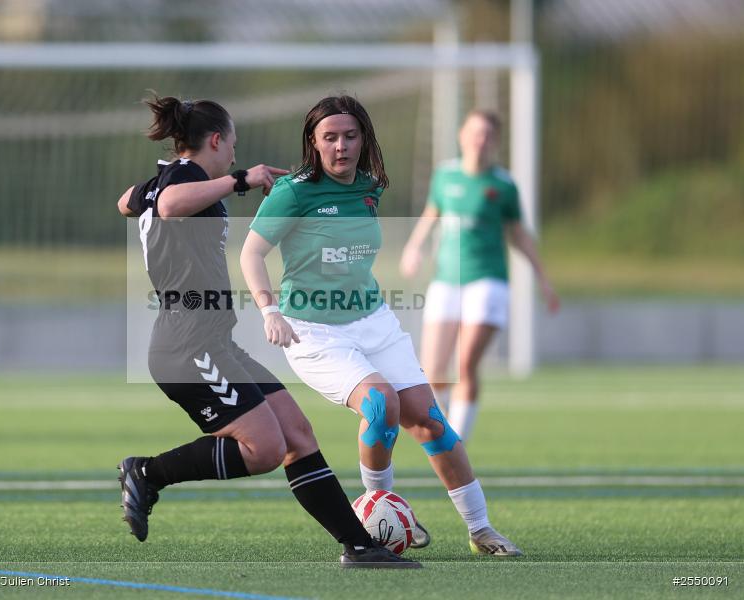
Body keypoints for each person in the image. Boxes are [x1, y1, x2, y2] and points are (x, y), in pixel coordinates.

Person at [116, 94, 418, 568]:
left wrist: (151, 194)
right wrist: (239, 180)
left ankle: (361, 546)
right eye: (231, 145)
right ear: (216, 140)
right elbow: (172, 204)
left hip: (213, 342)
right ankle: (148, 473)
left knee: (297, 433)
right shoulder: (185, 179)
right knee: (264, 449)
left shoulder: (165, 179)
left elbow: (126, 202)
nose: (235, 155)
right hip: (187, 346)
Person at [240, 95, 521, 556]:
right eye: (329, 137)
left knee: (430, 421)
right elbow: (251, 254)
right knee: (379, 404)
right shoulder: (293, 191)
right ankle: (374, 516)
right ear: (313, 142)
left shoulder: (371, 186)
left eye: (350, 136)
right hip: (312, 331)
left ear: (364, 139)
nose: (341, 146)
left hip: (373, 321)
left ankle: (481, 530)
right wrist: (270, 310)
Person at [399, 110, 560, 443]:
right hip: (446, 279)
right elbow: (432, 214)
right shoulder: (445, 176)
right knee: (432, 369)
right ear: (462, 136)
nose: (480, 139)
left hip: (487, 280)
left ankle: (458, 442)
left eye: (487, 134)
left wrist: (542, 278)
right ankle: (440, 435)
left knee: (465, 363)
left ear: (495, 141)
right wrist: (413, 247)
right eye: (475, 132)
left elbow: (519, 234)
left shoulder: (502, 185)